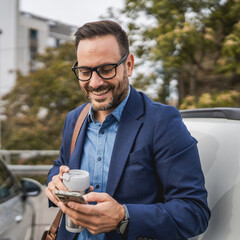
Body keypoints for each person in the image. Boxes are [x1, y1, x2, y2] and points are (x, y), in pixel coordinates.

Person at [45, 20, 210, 240]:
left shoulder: (163, 121)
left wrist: (124, 217)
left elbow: (194, 212)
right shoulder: (74, 119)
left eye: (106, 70)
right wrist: (54, 181)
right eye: (85, 71)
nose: (94, 83)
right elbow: (60, 165)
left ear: (129, 65)